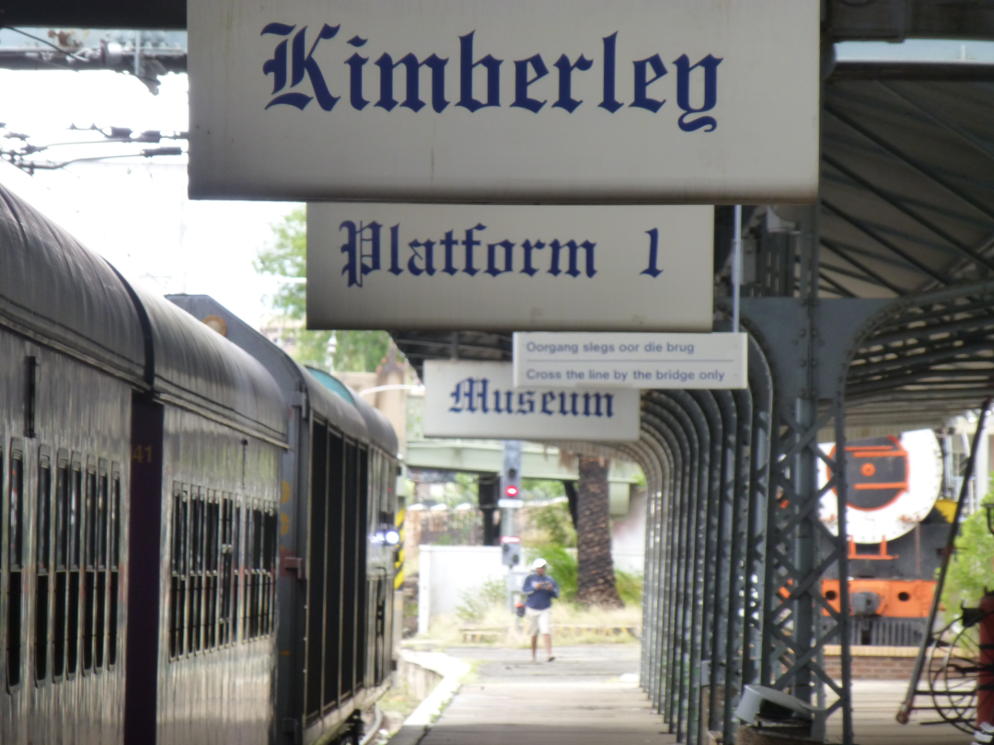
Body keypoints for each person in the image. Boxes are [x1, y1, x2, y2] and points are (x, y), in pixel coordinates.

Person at [522, 557, 559, 662]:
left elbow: (556, 594)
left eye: (543, 567)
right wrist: (535, 588)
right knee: (533, 634)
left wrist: (551, 590)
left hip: (545, 608)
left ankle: (549, 654)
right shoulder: (530, 579)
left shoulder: (550, 580)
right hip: (532, 608)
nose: (541, 569)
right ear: (535, 568)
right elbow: (525, 590)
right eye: (539, 568)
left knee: (545, 630)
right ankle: (533, 656)